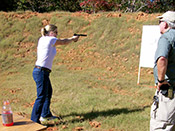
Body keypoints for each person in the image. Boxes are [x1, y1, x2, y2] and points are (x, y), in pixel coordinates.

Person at [31, 24, 79, 124]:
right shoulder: (49, 39)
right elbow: (63, 42)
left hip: (42, 71)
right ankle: (34, 121)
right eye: (56, 32)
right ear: (51, 32)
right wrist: (73, 39)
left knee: (48, 92)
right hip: (41, 71)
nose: (57, 34)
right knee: (41, 96)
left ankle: (46, 115)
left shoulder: (43, 39)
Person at [150, 11, 175, 130]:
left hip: (169, 91)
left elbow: (162, 59)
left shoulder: (166, 38)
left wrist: (161, 80)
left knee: (161, 125)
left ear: (165, 24)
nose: (159, 24)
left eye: (160, 22)